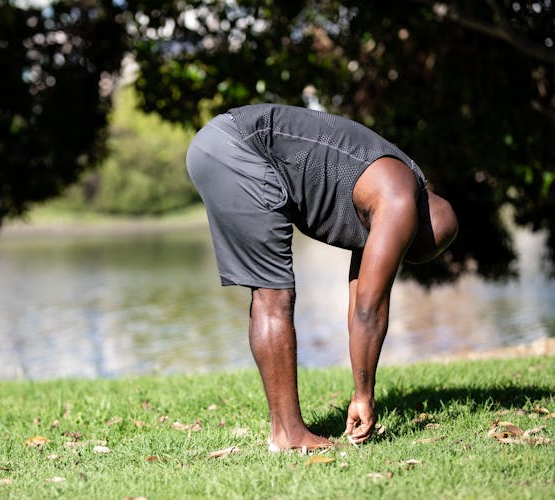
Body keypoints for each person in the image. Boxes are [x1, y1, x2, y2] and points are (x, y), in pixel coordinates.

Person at [186, 103, 458, 451]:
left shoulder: (385, 188)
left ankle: (285, 431)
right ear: (415, 225)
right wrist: (364, 396)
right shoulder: (398, 200)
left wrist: (364, 390)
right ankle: (288, 435)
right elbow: (370, 311)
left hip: (220, 142)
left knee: (272, 294)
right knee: (274, 295)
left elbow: (363, 301)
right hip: (238, 147)